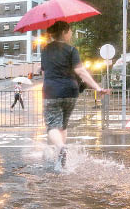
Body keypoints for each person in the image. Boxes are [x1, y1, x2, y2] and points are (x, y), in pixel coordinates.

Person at [41, 21, 110, 168]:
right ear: (65, 32)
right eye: (70, 31)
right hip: (70, 92)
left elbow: (44, 72)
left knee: (52, 125)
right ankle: (61, 160)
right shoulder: (71, 50)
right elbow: (80, 71)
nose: (71, 33)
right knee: (63, 125)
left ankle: (61, 148)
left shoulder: (45, 50)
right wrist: (97, 87)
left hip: (52, 91)